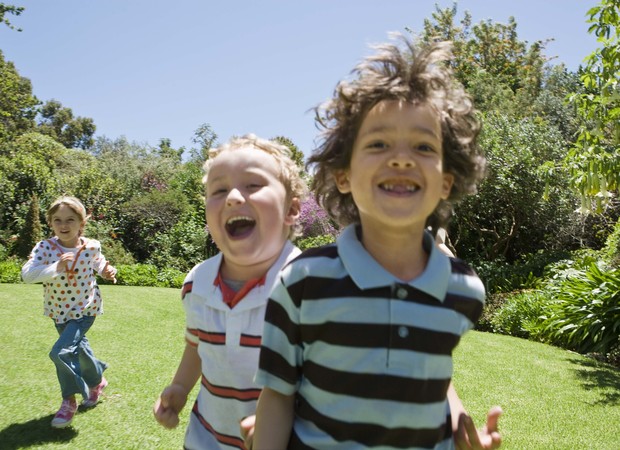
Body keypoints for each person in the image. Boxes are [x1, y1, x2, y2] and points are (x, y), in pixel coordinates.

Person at [253, 35, 502, 449]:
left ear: (445, 182)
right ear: (343, 176)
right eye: (379, 143)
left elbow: (433, 377)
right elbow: (278, 394)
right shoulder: (303, 282)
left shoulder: (464, 290)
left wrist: (462, 428)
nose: (401, 158)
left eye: (423, 146)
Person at [153, 134, 307, 449]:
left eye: (253, 185)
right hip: (205, 438)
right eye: (219, 190)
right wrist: (180, 387)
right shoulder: (198, 282)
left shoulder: (311, 286)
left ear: (291, 210)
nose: (234, 197)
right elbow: (197, 346)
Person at [21, 196, 117, 428]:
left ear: (81, 223)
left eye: (70, 220)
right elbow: (27, 275)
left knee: (61, 352)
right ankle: (96, 382)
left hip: (86, 308)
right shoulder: (45, 248)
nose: (64, 225)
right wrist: (56, 267)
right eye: (58, 220)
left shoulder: (91, 246)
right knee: (79, 349)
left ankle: (68, 401)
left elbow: (99, 262)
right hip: (58, 310)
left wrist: (107, 271)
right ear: (51, 223)